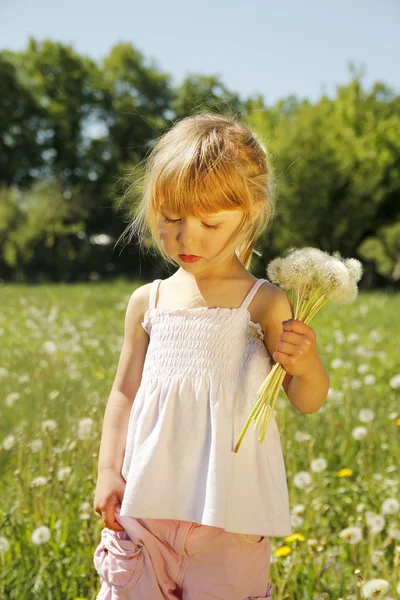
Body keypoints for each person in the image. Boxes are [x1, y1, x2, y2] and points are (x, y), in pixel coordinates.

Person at [92, 112, 330, 599]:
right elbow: (124, 393)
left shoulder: (263, 302)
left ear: (252, 210)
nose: (186, 237)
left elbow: (306, 400)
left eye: (209, 222)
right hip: (145, 515)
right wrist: (107, 471)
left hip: (229, 518)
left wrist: (306, 366)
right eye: (170, 218)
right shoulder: (148, 301)